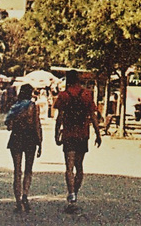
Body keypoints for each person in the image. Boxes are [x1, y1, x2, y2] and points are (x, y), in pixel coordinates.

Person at [54, 71, 101, 211]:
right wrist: (98, 134)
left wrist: (56, 133)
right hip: (83, 134)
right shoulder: (87, 95)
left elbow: (59, 117)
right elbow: (93, 116)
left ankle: (71, 194)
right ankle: (76, 192)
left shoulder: (63, 96)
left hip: (68, 134)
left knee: (69, 167)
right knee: (79, 167)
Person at [5, 84, 42, 213]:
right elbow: (37, 124)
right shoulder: (34, 106)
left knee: (17, 171)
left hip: (16, 138)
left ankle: (18, 201)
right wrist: (40, 142)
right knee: (28, 170)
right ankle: (25, 195)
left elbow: (9, 126)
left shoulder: (15, 107)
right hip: (30, 139)